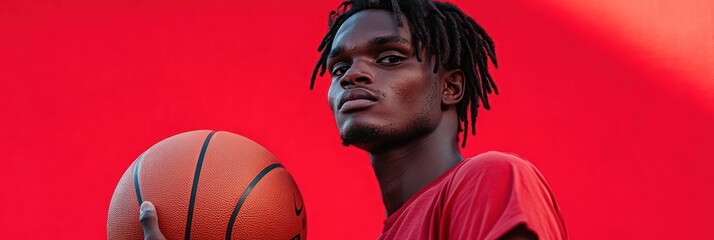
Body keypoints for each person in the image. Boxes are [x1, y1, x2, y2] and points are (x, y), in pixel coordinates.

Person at [139, 0, 567, 239]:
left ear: (449, 88)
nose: (354, 74)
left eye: (389, 57)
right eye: (339, 68)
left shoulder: (491, 179)